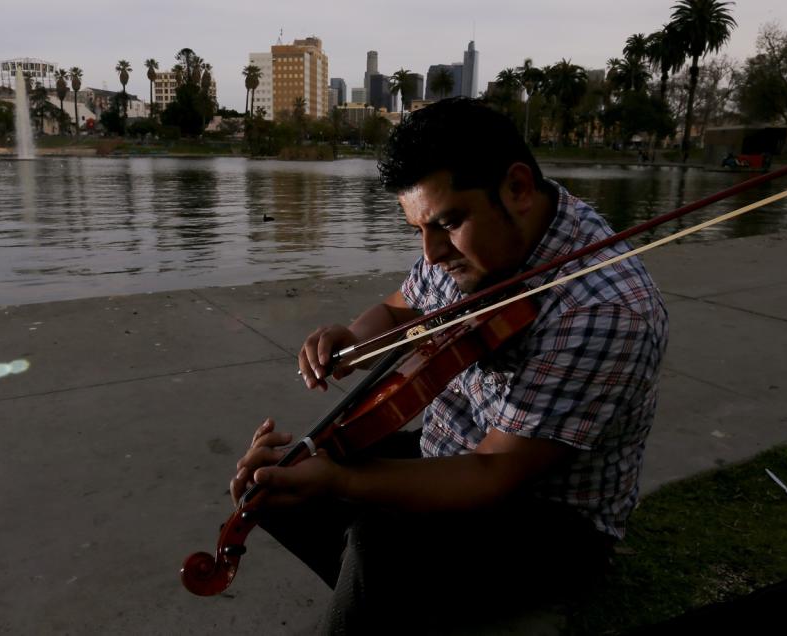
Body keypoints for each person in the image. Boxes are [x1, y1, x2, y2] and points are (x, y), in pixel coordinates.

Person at [230, 98, 669, 634]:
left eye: (447, 223)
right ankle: (406, 610)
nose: (432, 252)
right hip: (449, 450)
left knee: (378, 546)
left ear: (518, 188)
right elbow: (400, 307)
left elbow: (493, 473)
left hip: (548, 514)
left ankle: (398, 600)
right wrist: (353, 338)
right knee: (278, 483)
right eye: (418, 228)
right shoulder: (474, 244)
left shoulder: (603, 310)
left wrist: (343, 480)